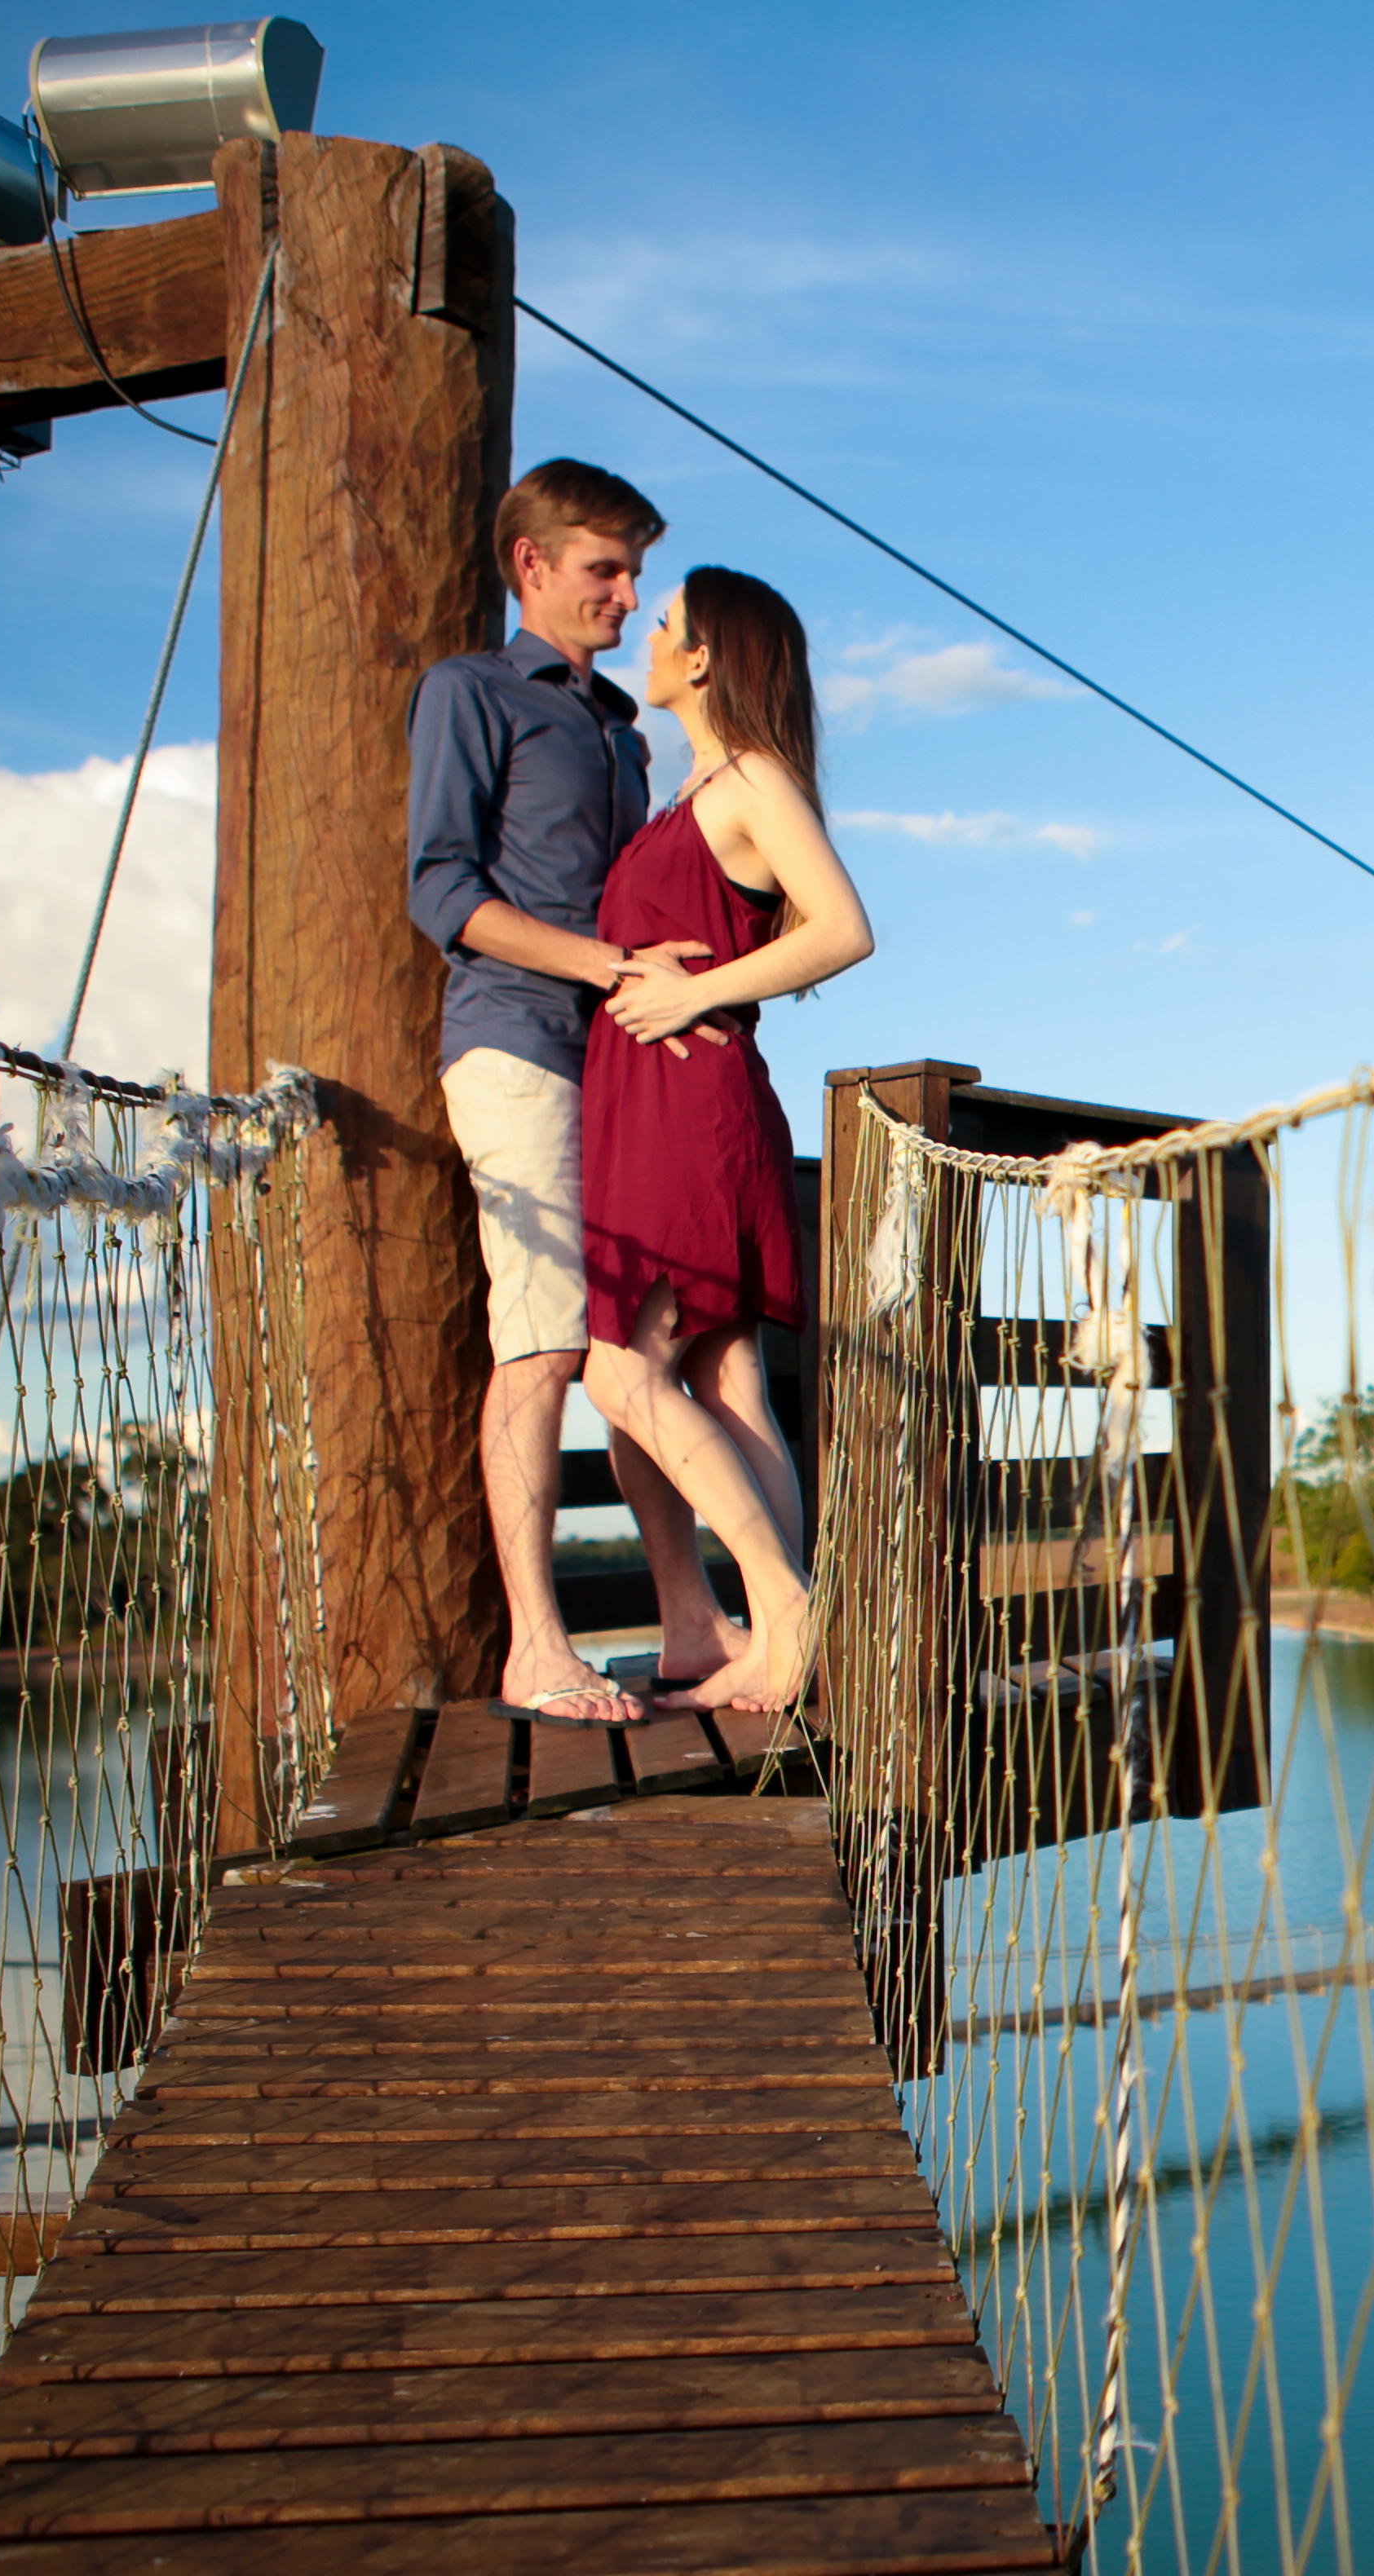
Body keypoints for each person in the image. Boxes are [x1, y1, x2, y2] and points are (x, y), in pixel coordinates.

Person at [404, 458, 750, 1725]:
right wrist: (610, 965)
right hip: (513, 1046)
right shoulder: (471, 693)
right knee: (543, 1341)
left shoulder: (620, 725)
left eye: (636, 572)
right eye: (606, 569)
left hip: (622, 1065)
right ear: (531, 567)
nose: (628, 592)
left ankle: (688, 1623)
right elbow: (440, 892)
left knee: (634, 1342)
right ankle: (537, 1649)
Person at [578, 568, 872, 1716]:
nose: (648, 637)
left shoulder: (749, 778)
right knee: (723, 1376)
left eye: (664, 626)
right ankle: (764, 1647)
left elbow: (843, 927)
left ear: (702, 659)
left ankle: (786, 1610)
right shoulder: (690, 786)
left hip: (690, 1103)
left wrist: (700, 999)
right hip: (650, 1102)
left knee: (620, 1369)